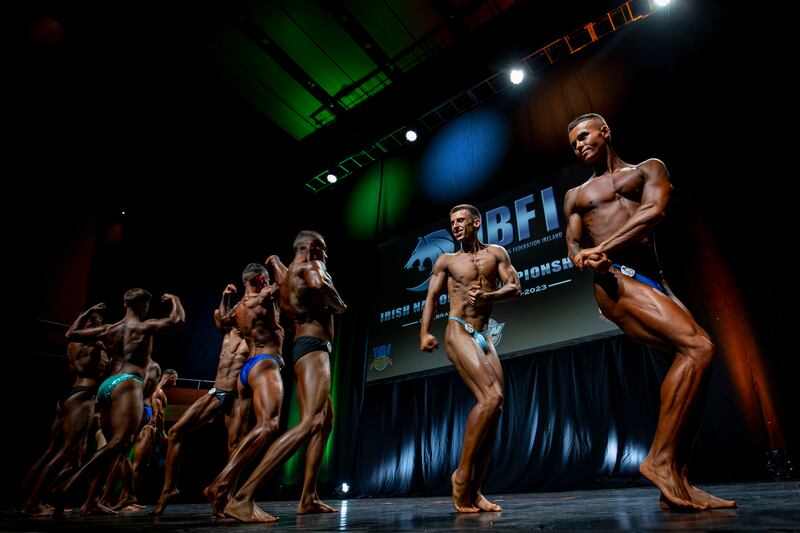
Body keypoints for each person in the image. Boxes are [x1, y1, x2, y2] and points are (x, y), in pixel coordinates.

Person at [563, 113, 735, 510]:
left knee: (694, 369)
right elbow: (573, 247)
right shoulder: (576, 195)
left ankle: (677, 481)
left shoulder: (648, 169)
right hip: (615, 282)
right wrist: (585, 260)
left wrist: (602, 247)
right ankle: (658, 461)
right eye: (573, 143)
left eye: (584, 136)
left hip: (651, 278)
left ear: (605, 132)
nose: (579, 145)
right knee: (699, 348)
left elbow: (653, 212)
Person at [223, 231, 346, 523]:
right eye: (325, 250)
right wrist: (339, 304)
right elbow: (322, 286)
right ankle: (243, 497)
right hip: (314, 349)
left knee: (324, 422)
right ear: (315, 247)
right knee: (310, 422)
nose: (326, 256)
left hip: (303, 347)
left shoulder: (288, 274)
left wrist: (276, 260)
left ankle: (308, 497)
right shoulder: (312, 267)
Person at [419, 204, 520, 513]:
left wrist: (490, 297)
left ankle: (475, 491)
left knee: (496, 410)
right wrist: (424, 333)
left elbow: (515, 287)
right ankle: (461, 476)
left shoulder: (497, 254)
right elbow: (432, 298)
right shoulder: (447, 260)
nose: (456, 226)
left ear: (477, 223)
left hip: (484, 335)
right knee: (491, 397)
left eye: (461, 220)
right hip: (457, 330)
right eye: (452, 222)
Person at [53, 289, 185, 516]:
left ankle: (92, 500)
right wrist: (176, 299)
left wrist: (87, 313)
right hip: (128, 383)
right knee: (119, 444)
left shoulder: (108, 329)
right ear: (143, 307)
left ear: (125, 306)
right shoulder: (143, 326)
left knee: (112, 450)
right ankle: (69, 485)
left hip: (107, 386)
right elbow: (177, 319)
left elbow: (71, 334)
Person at [152, 284, 249, 515]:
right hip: (216, 392)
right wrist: (225, 297)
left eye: (240, 309)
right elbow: (220, 318)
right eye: (235, 309)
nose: (236, 312)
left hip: (236, 398)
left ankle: (227, 497)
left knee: (235, 448)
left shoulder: (254, 337)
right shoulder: (227, 333)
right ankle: (169, 489)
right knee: (176, 433)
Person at [203, 264, 285, 517]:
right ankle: (220, 484)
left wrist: (226, 296)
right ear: (261, 279)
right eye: (266, 279)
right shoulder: (264, 295)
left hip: (245, 373)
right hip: (265, 364)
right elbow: (287, 281)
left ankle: (228, 497)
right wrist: (275, 262)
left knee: (243, 437)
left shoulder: (239, 307)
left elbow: (221, 321)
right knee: (269, 425)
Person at [19, 308, 109, 515]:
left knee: (50, 452)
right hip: (84, 395)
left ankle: (22, 503)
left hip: (67, 396)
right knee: (66, 452)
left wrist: (87, 314)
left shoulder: (74, 344)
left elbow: (71, 332)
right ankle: (33, 503)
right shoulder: (98, 344)